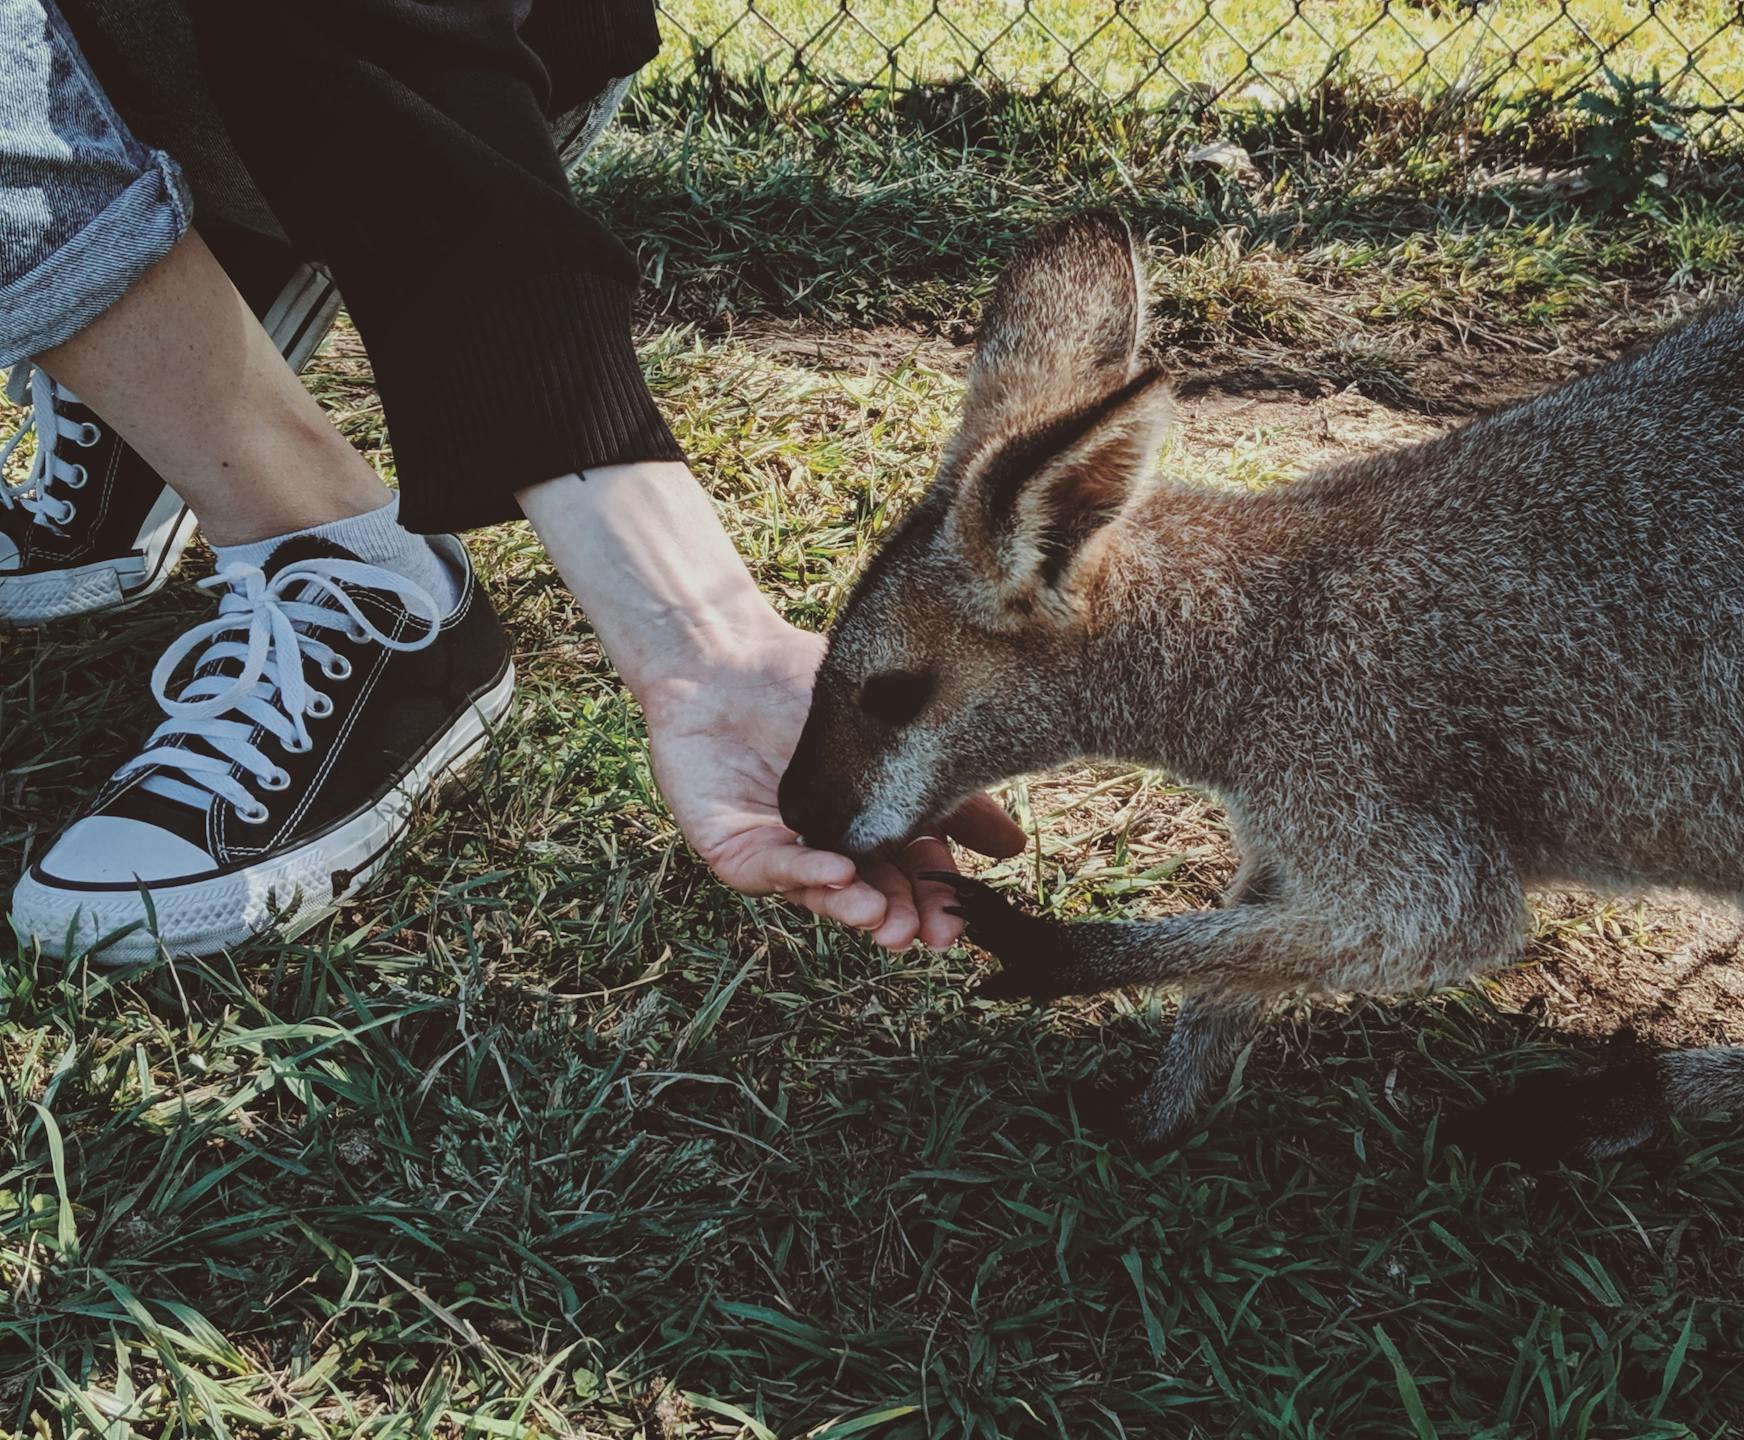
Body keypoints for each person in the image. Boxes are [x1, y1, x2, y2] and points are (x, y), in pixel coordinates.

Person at [2, 0, 1024, 961]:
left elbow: (389, 24)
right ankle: (150, 363)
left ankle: (344, 562)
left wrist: (699, 641)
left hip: (443, 90)